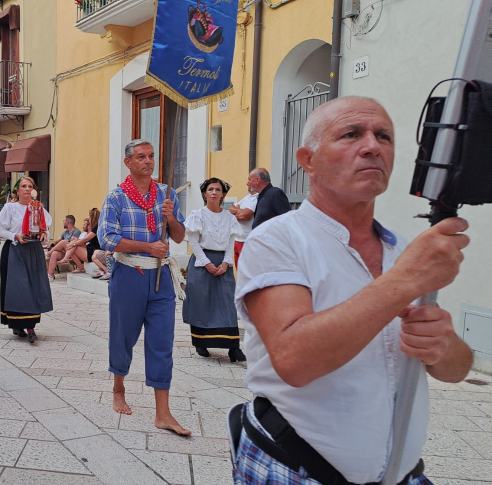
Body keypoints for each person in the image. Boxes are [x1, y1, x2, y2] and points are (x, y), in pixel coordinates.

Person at [232, 97, 471, 484]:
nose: (373, 146)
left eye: (384, 137)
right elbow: (294, 360)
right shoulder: (277, 240)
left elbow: (456, 368)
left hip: (402, 474)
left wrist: (444, 346)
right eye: (351, 134)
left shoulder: (404, 251)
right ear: (307, 159)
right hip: (294, 468)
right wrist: (404, 281)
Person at [97, 139, 190, 436]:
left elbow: (178, 236)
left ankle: (163, 413)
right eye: (141, 157)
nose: (148, 161)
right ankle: (118, 387)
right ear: (128, 162)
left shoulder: (166, 194)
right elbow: (108, 240)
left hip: (162, 278)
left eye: (151, 156)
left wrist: (171, 217)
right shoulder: (116, 198)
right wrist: (148, 247)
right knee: (123, 337)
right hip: (129, 275)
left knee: (162, 343)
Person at [183, 178, 245, 362]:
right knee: (202, 303)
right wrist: (206, 263)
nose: (214, 192)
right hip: (202, 263)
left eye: (217, 189)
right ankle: (201, 343)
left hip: (223, 263)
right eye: (210, 189)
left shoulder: (230, 218)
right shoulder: (197, 215)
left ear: (222, 194)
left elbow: (231, 242)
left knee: (227, 303)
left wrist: (225, 263)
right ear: (204, 193)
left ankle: (234, 348)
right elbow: (193, 241)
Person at [0, 177, 53, 343]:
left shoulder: (38, 208)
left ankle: (31, 326)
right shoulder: (10, 208)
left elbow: (46, 228)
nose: (27, 189)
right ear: (17, 190)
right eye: (23, 186)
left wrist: (44, 234)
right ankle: (17, 324)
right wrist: (15, 235)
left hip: (33, 251)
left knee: (33, 287)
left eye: (30, 186)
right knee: (18, 288)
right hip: (15, 250)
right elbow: (0, 229)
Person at [58, 210, 100, 274]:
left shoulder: (96, 228)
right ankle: (71, 262)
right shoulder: (95, 227)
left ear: (93, 218)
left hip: (93, 253)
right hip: (90, 249)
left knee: (71, 245)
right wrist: (75, 242)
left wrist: (74, 243)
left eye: (89, 217)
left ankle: (71, 262)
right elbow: (86, 242)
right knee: (70, 244)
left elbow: (85, 239)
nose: (89, 219)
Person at [227, 182, 258, 267]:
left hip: (247, 240)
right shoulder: (247, 197)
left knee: (247, 270)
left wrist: (237, 211)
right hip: (237, 240)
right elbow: (231, 208)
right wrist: (240, 211)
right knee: (239, 271)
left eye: (250, 180)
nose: (247, 183)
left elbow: (244, 216)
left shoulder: (258, 198)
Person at [46, 214, 81, 279]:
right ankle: (50, 275)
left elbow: (73, 245)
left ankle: (48, 254)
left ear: (68, 222)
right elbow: (57, 240)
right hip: (65, 253)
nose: (63, 222)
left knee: (63, 242)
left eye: (64, 221)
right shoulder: (65, 232)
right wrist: (52, 244)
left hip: (73, 254)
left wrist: (61, 245)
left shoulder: (77, 232)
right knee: (55, 253)